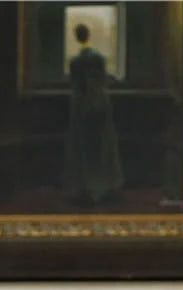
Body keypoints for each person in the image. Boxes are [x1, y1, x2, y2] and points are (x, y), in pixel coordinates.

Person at [62, 23, 123, 206]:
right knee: (101, 145)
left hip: (81, 105)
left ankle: (86, 187)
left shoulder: (75, 61)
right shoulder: (98, 58)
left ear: (76, 37)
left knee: (83, 145)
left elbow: (74, 83)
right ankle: (103, 185)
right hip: (99, 103)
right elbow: (104, 80)